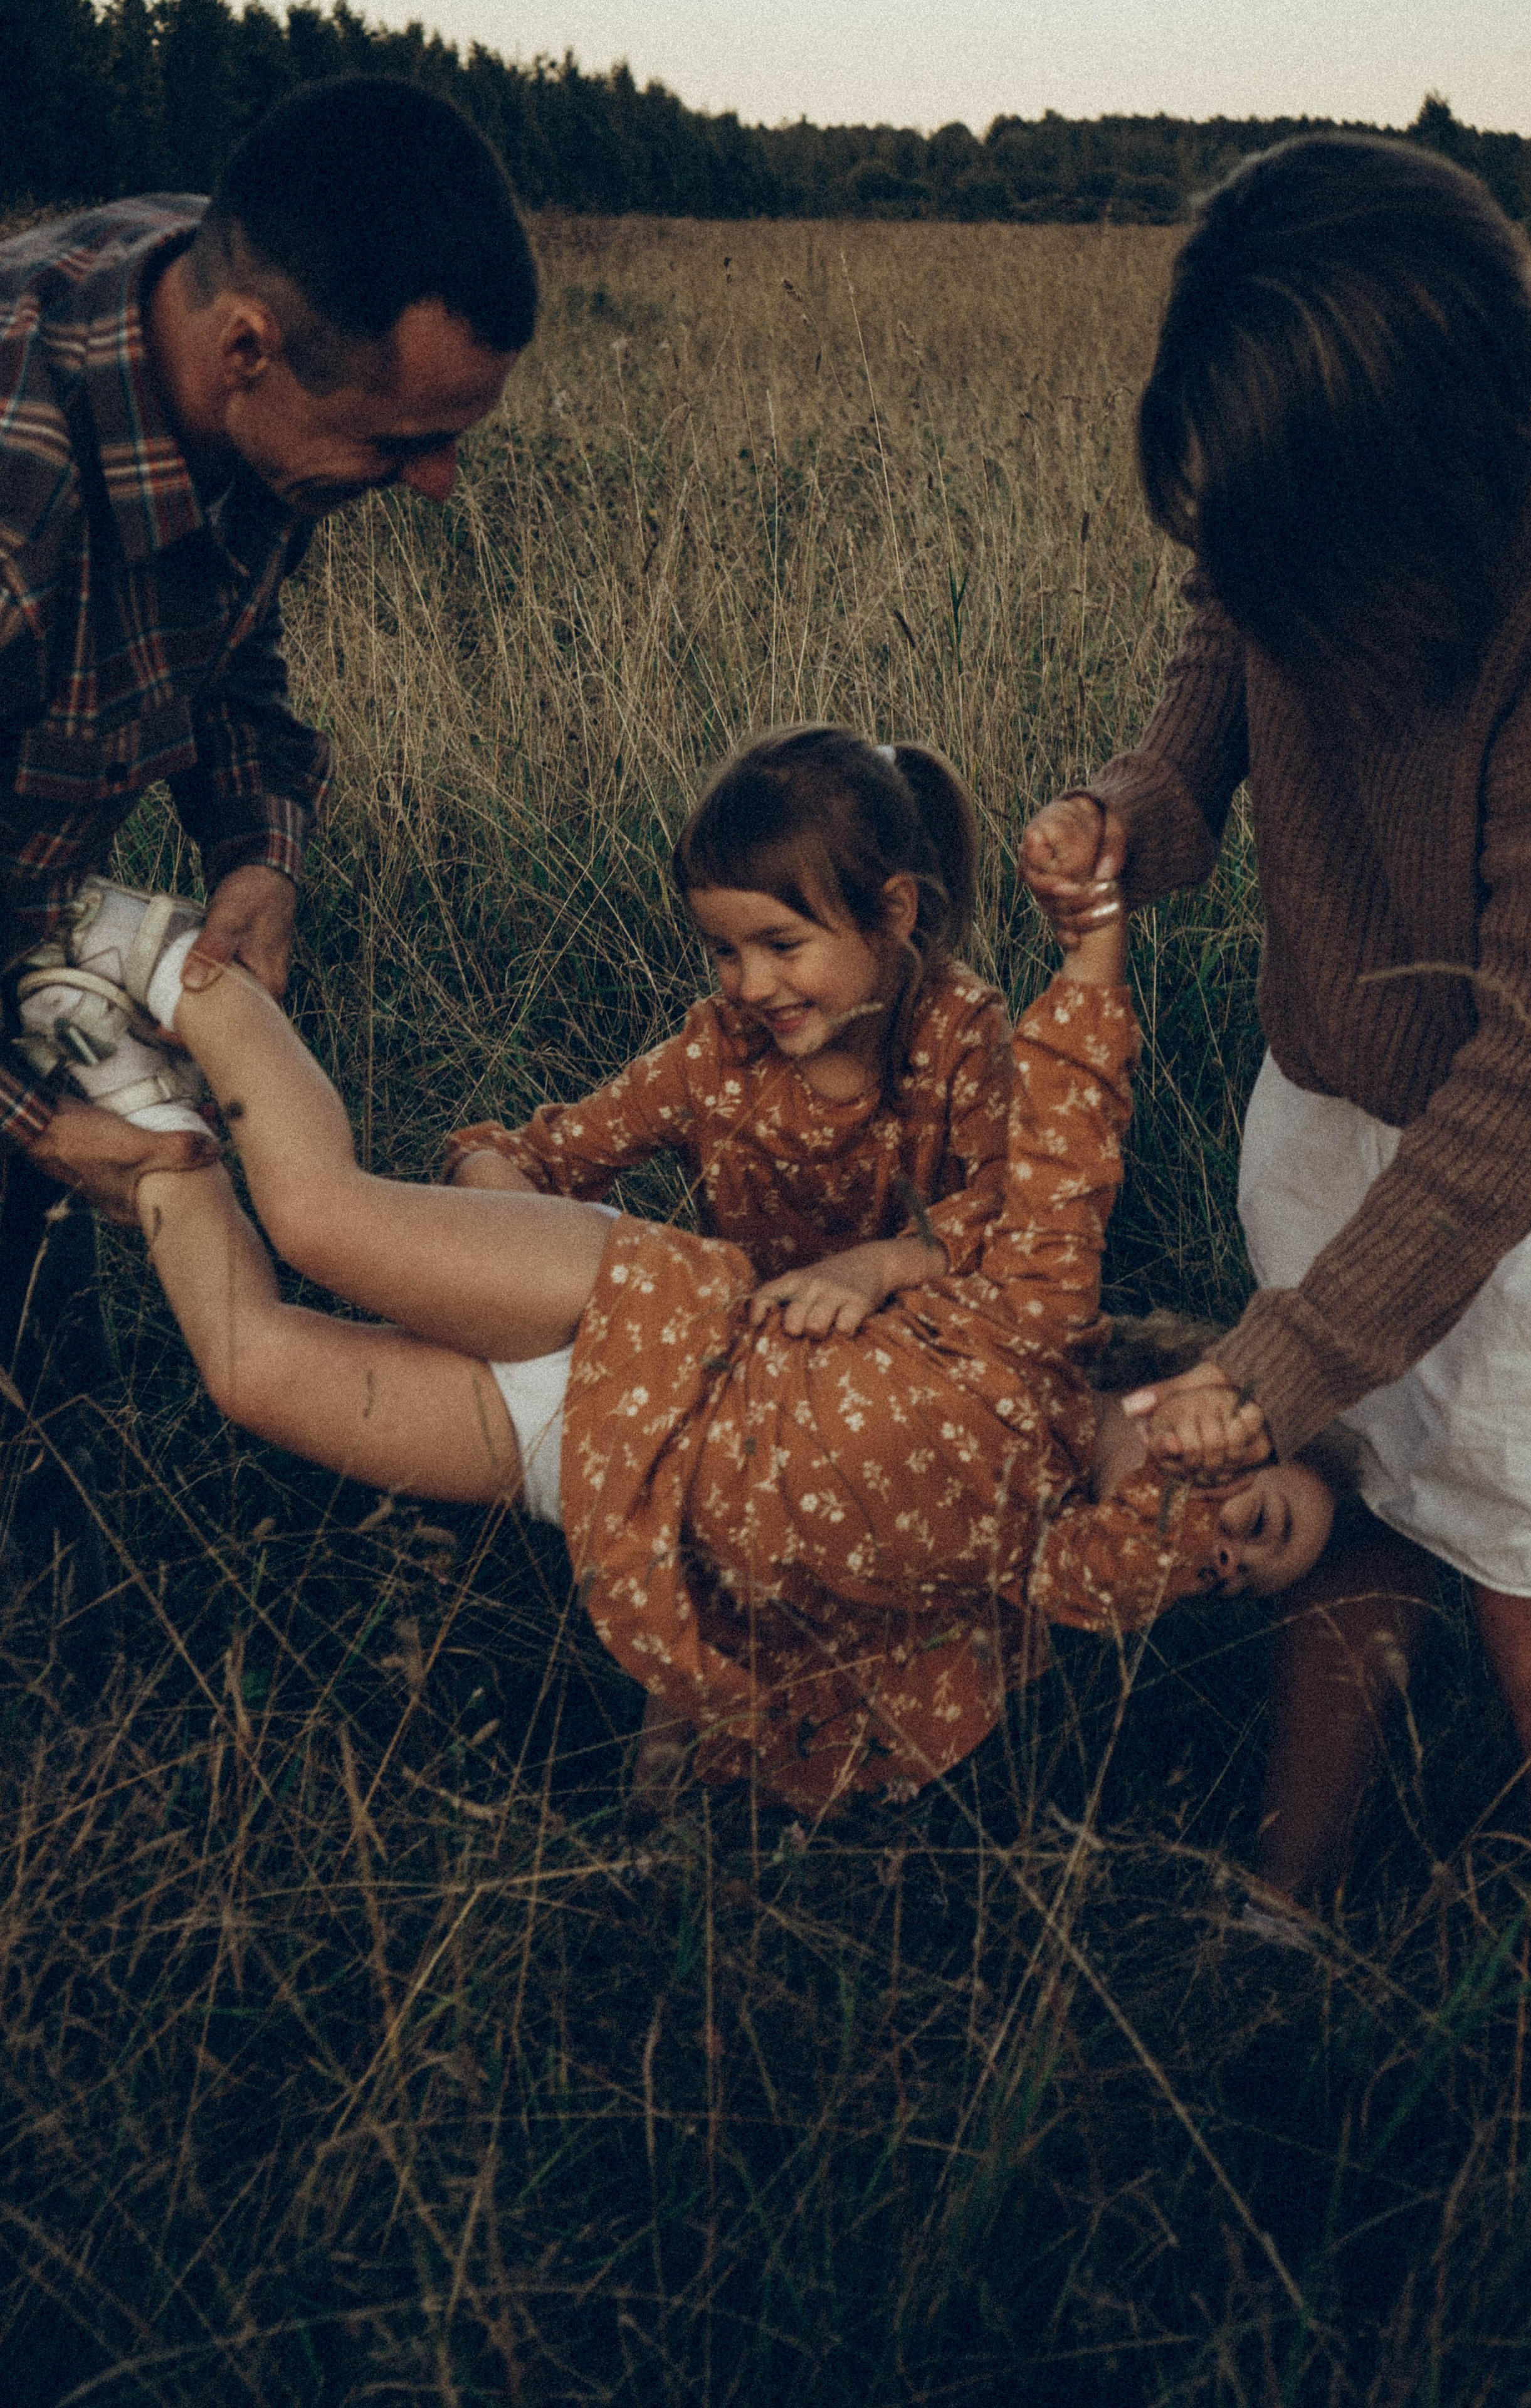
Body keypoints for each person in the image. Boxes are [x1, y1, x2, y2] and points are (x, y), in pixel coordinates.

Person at [21, 801, 1335, 1814]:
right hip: (642, 1322)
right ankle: (162, 951)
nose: (1211, 1552)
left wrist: (681, 1771)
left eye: (1222, 1580)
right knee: (313, 1217)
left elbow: (800, 1649)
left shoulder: (1002, 1608)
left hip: (585, 1476)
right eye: (1252, 1511)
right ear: (1197, 1396)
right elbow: (1063, 1142)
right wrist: (1095, 940)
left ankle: (139, 1118)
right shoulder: (1030, 1334)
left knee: (251, 1372)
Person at [1041, 134, 1531, 1913]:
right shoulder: (1343, 408)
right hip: (1334, 1068)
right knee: (1347, 1498)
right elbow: (1237, 592)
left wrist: (1280, 1357)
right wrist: (1159, 797)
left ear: (1503, 444)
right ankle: (1289, 1908)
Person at [0, 75, 537, 1597]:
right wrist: (33, 1121)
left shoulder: (244, 318)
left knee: (43, 1350)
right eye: (406, 439)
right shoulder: (17, 504)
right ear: (246, 352)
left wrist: (260, 850)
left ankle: (60, 1573)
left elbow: (226, 646)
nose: (436, 481)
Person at [445, 724, 1016, 1335]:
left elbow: (1016, 1209)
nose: (750, 985)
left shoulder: (960, 1031)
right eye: (725, 950)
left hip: (924, 1373)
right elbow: (524, 1160)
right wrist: (511, 1214)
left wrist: (881, 1266)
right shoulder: (720, 1050)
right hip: (746, 1373)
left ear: (893, 913)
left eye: (782, 944)